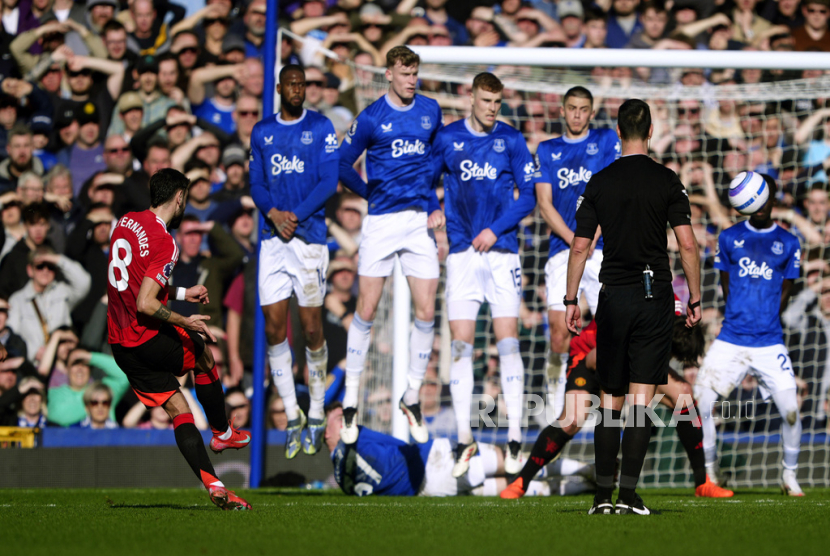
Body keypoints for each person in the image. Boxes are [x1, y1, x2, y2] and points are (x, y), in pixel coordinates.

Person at [565, 99, 701, 515]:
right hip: (653, 296)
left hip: (614, 296)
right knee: (642, 400)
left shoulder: (600, 180)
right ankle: (628, 497)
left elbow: (581, 245)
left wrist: (571, 299)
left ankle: (601, 498)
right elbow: (688, 245)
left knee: (610, 400)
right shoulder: (667, 180)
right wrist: (695, 298)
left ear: (618, 132)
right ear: (652, 130)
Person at [106, 168, 250, 510]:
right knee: (203, 354)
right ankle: (222, 432)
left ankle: (214, 484)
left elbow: (135, 282)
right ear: (180, 197)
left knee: (178, 408)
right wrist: (186, 320)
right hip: (144, 335)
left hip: (120, 343)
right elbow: (146, 302)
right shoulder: (165, 240)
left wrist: (184, 291)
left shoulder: (125, 222)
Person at [501, 302, 733, 499]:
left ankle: (703, 482)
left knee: (683, 394)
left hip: (635, 358)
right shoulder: (632, 308)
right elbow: (596, 359)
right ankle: (521, 481)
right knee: (571, 420)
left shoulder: (670, 307)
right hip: (591, 355)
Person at [431, 72, 538, 475]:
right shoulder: (446, 138)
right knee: (460, 346)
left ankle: (513, 438)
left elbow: (528, 194)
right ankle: (464, 438)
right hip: (461, 254)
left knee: (507, 342)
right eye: (486, 100)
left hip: (502, 254)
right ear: (470, 98)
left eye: (497, 102)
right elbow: (425, 181)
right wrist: (432, 208)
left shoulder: (510, 139)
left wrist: (496, 229)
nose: (492, 108)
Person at [337, 46, 445, 445]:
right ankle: (350, 400)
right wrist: (370, 194)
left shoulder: (430, 110)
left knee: (427, 309)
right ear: (388, 75)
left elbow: (434, 161)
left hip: (418, 221)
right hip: (381, 222)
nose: (411, 80)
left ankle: (412, 395)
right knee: (365, 308)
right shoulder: (370, 118)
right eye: (404, 73)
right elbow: (342, 164)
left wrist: (433, 203)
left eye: (415, 73)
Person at [694, 174, 804, 497]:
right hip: (731, 338)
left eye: (765, 197)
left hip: (769, 341)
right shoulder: (728, 238)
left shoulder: (789, 242)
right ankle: (710, 473)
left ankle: (789, 476)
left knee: (791, 411)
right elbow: (726, 284)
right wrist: (741, 316)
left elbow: (787, 288)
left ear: (771, 201)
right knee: (701, 403)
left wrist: (765, 315)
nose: (759, 204)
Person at [249, 64, 339, 459]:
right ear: (280, 87)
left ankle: (317, 409)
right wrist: (273, 213)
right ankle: (291, 414)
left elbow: (328, 181)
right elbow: (256, 183)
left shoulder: (321, 128)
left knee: (311, 327)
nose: (298, 89)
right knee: (273, 327)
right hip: (272, 240)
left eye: (303, 84)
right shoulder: (262, 131)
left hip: (308, 240)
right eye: (292, 84)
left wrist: (294, 215)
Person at [535, 86, 621, 424]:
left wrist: (591, 237)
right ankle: (555, 408)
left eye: (584, 109)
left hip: (602, 249)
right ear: (562, 110)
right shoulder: (546, 149)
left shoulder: (605, 143)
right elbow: (544, 203)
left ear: (592, 111)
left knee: (613, 332)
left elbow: (615, 194)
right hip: (563, 249)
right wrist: (575, 240)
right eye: (571, 108)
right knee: (558, 331)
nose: (577, 115)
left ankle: (611, 407)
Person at [324, 402, 584, 497]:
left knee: (510, 487)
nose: (348, 421)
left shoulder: (341, 478)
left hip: (432, 489)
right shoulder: (355, 440)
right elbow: (401, 447)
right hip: (432, 459)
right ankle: (586, 469)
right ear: (328, 432)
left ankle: (585, 484)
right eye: (340, 418)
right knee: (517, 464)